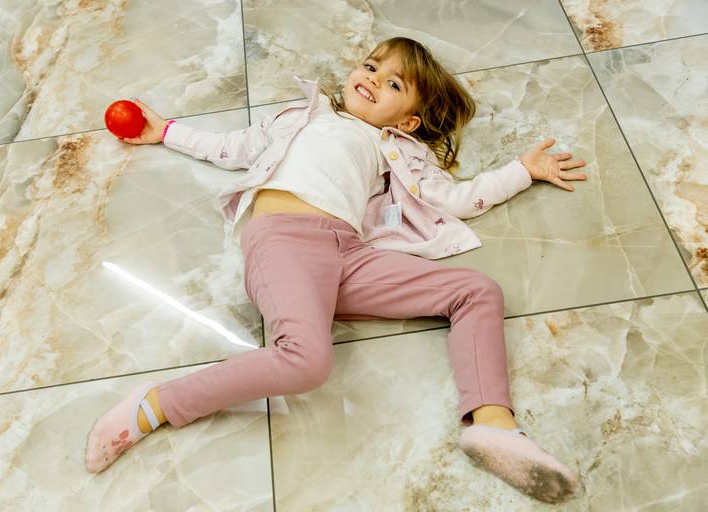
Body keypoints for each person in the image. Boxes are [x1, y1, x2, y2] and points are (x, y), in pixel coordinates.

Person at [85, 37, 586, 503]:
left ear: (409, 122)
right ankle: (156, 404)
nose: (372, 79)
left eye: (394, 84)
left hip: (347, 253)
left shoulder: (398, 151)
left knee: (477, 290)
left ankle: (494, 425)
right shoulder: (304, 116)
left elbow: (456, 199)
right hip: (284, 240)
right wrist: (165, 131)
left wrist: (521, 172)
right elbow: (233, 147)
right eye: (371, 66)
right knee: (306, 361)